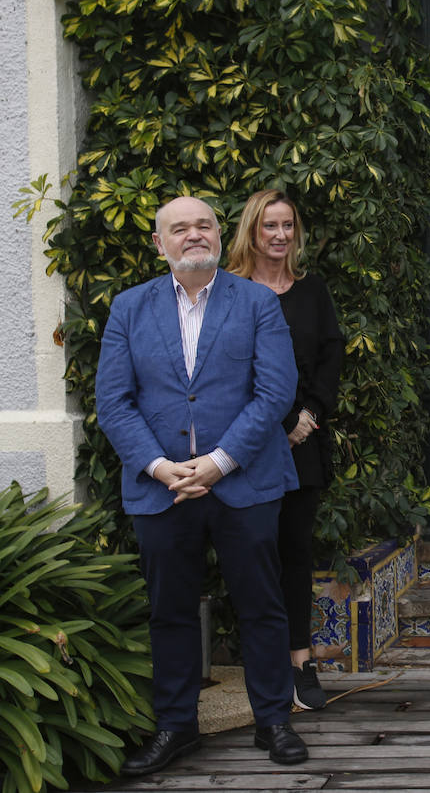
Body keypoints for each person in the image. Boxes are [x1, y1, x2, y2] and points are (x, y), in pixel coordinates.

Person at [95, 196, 309, 776]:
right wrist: (160, 467)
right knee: (168, 611)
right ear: (158, 243)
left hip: (244, 481)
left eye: (204, 225)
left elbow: (275, 392)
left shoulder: (259, 303)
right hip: (161, 488)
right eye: (179, 228)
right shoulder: (129, 308)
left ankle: (272, 719)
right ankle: (176, 726)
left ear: (220, 235)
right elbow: (113, 403)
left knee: (261, 606)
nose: (194, 235)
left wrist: (218, 462)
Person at [226, 189, 344, 711]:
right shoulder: (229, 292)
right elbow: (231, 373)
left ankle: (301, 661)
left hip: (304, 445)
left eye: (288, 225)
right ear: (252, 230)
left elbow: (330, 357)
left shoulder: (312, 291)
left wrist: (307, 418)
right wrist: (280, 422)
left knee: (296, 556)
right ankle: (265, 663)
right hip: (248, 445)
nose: (279, 235)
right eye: (269, 225)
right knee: (253, 556)